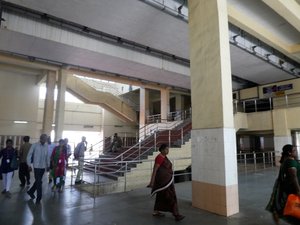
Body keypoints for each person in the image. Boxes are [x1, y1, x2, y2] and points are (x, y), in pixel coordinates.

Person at [147, 143, 184, 221]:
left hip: (167, 180)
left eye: (168, 149)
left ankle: (156, 211)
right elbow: (155, 170)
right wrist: (152, 181)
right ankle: (176, 214)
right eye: (166, 149)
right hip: (163, 182)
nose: (168, 150)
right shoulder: (159, 158)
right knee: (170, 197)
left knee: (160, 196)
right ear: (162, 150)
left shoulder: (164, 157)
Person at [266, 144, 300, 224]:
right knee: (291, 207)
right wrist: (298, 190)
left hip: (285, 187)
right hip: (293, 189)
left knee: (278, 208)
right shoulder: (290, 162)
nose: (296, 152)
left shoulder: (287, 160)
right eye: (294, 151)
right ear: (289, 152)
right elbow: (293, 176)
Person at [26, 134, 50, 204]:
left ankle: (30, 192)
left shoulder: (46, 146)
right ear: (40, 138)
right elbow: (29, 155)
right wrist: (29, 165)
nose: (45, 140)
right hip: (36, 167)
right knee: (39, 182)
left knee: (38, 181)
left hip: (43, 167)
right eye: (44, 139)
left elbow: (47, 156)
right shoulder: (35, 145)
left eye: (46, 139)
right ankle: (39, 198)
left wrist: (48, 165)